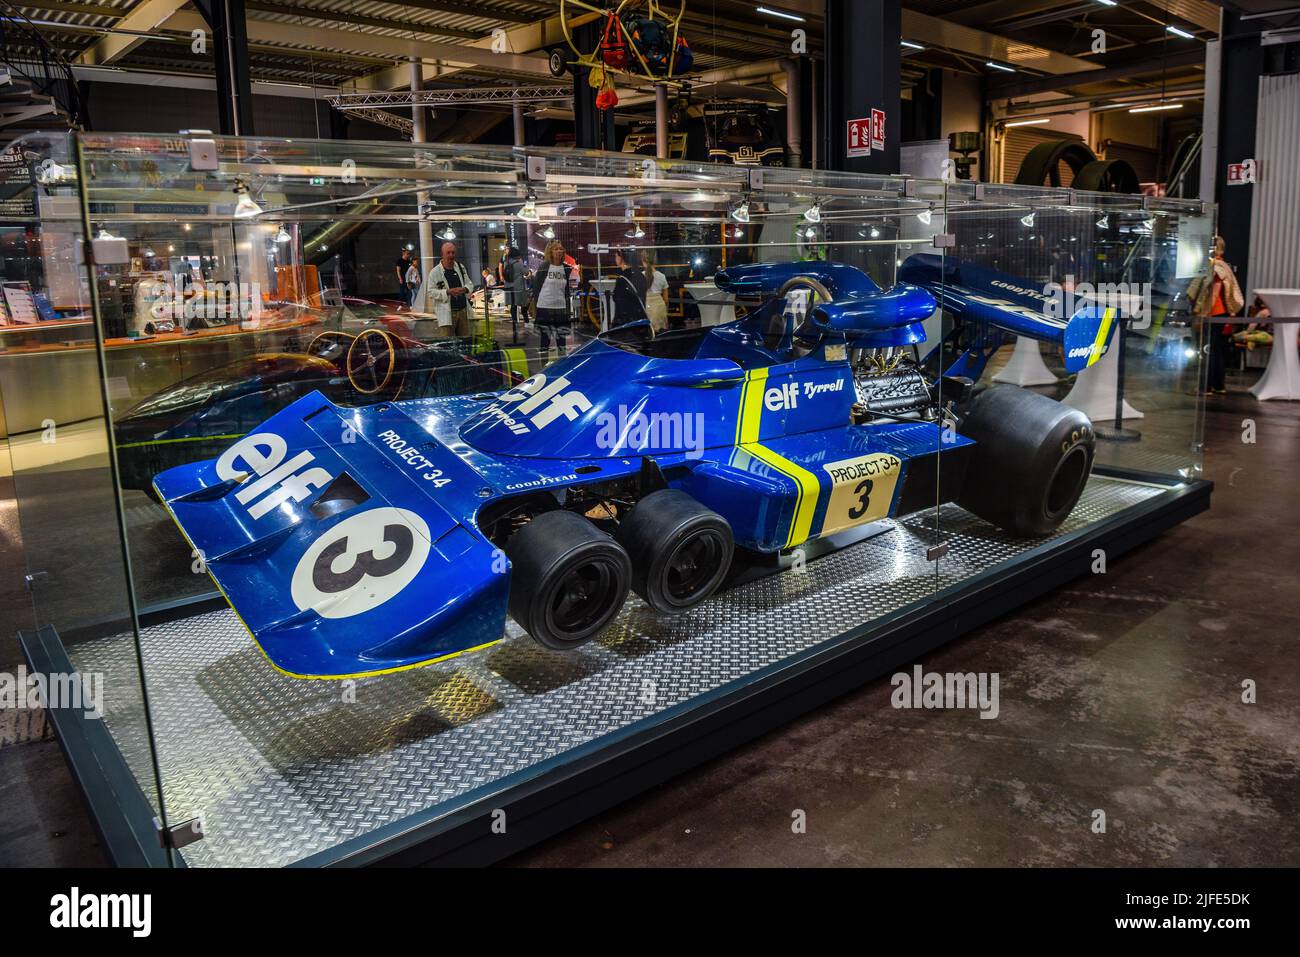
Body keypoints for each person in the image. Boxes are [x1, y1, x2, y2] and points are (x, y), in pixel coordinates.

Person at [1187, 235, 1244, 395]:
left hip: (1212, 313)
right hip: (1221, 314)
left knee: (1207, 350)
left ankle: (1205, 387)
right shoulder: (1224, 265)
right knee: (1217, 350)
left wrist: (1201, 313)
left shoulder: (1214, 266)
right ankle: (1218, 385)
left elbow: (1212, 293)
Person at [531, 240, 573, 360]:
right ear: (550, 251)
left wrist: (567, 308)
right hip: (545, 307)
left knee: (561, 342)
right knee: (545, 341)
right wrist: (536, 308)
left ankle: (562, 369)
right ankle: (543, 369)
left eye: (560, 249)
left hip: (561, 309)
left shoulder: (566, 268)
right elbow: (537, 287)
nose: (559, 251)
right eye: (556, 249)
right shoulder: (544, 267)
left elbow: (565, 290)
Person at [427, 241, 474, 338]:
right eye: (448, 253)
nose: (451, 255)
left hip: (463, 312)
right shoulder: (435, 272)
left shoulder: (460, 267)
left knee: (464, 341)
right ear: (442, 254)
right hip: (447, 314)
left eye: (453, 252)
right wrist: (447, 292)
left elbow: (469, 284)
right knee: (447, 343)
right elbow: (430, 292)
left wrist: (464, 289)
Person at [610, 247, 649, 329]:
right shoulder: (641, 275)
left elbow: (620, 302)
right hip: (641, 320)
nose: (615, 258)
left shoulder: (622, 278)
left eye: (616, 256)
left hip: (627, 324)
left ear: (621, 258)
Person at [502, 246, 528, 338]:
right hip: (518, 288)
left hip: (509, 288)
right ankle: (527, 324)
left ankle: (514, 325)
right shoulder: (519, 262)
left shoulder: (506, 262)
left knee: (513, 307)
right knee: (523, 305)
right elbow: (526, 272)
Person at [642, 249, 669, 335]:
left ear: (643, 260)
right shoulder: (662, 276)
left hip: (646, 309)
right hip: (659, 308)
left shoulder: (640, 276)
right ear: (655, 261)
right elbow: (666, 299)